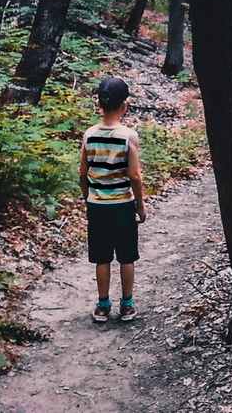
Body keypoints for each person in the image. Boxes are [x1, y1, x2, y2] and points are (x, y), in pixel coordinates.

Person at [80, 76, 146, 323]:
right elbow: (135, 176)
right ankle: (127, 304)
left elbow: (82, 172)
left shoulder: (89, 135)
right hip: (122, 205)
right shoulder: (128, 136)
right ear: (124, 106)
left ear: (100, 104)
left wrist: (88, 197)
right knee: (127, 256)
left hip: (97, 206)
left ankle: (103, 304)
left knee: (102, 257)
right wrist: (140, 204)